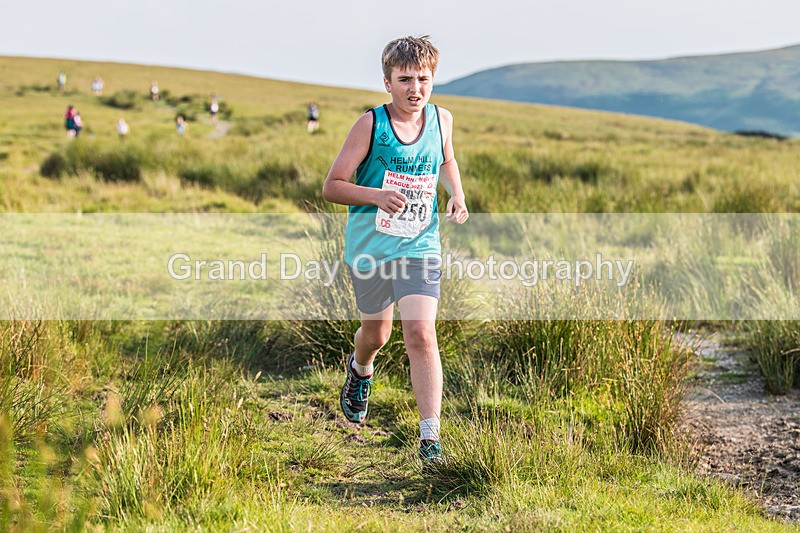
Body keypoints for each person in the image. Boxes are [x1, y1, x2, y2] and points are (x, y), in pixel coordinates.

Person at [322, 35, 469, 467]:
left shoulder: (442, 120)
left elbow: (445, 160)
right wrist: (377, 196)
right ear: (387, 82)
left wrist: (456, 194)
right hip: (371, 247)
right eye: (405, 79)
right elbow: (332, 186)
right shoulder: (371, 125)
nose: (415, 89)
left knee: (421, 333)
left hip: (420, 244)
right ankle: (360, 369)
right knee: (377, 335)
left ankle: (430, 440)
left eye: (423, 79)